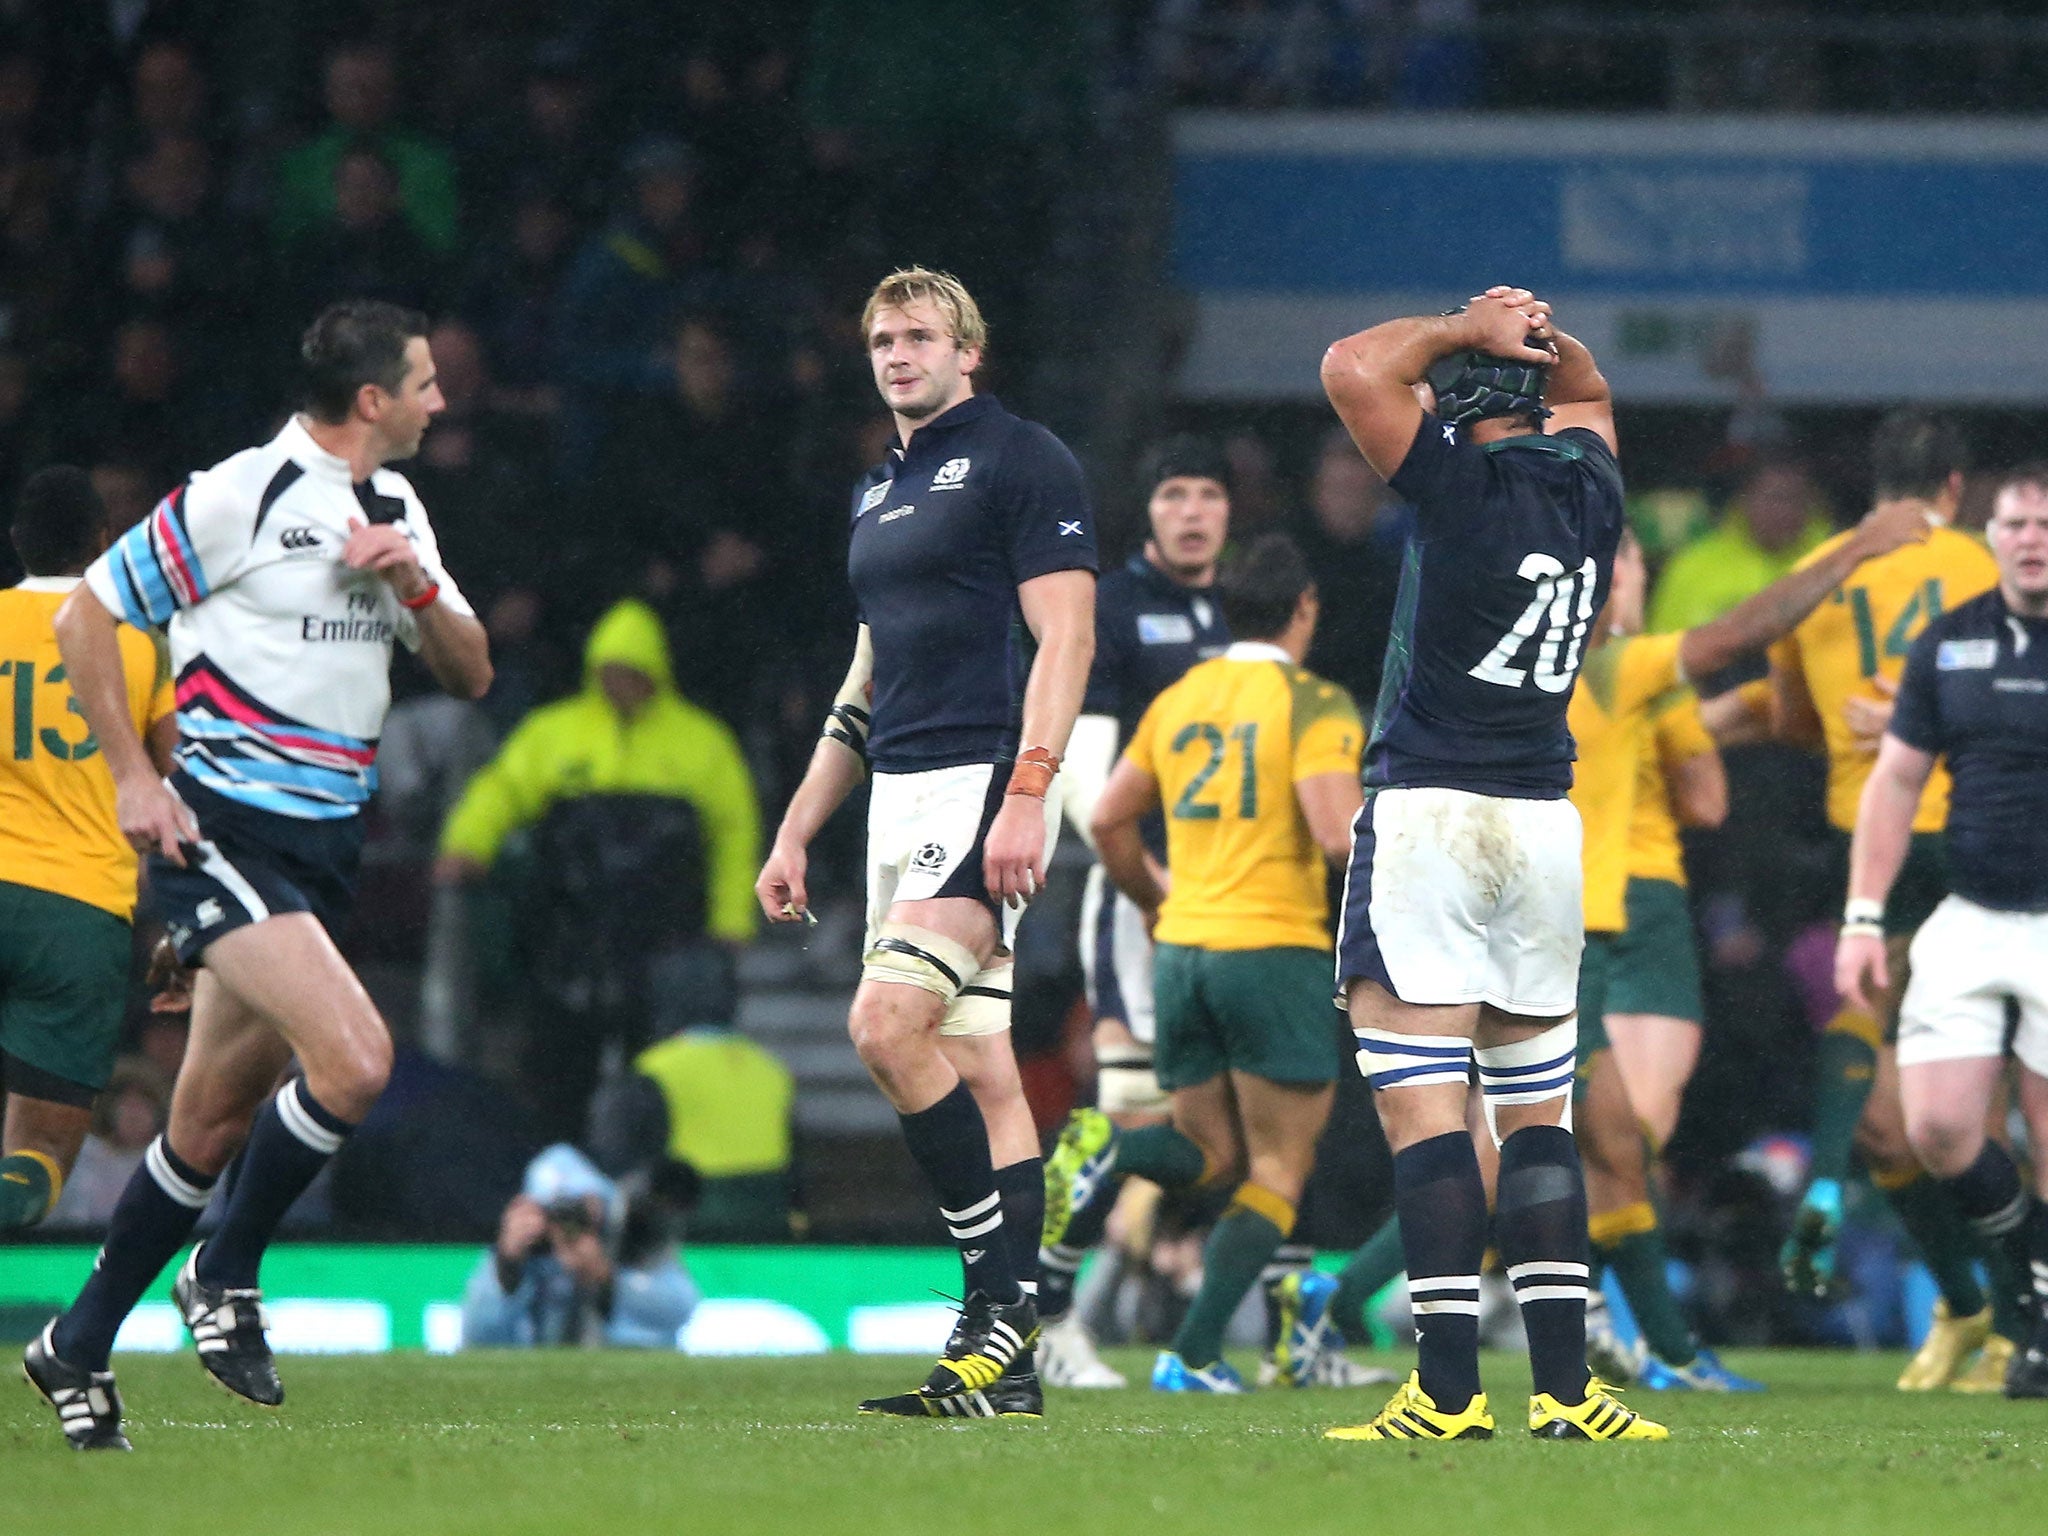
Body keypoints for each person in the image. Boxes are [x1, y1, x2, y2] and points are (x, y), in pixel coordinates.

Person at [23, 299, 491, 1452]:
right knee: (356, 1059)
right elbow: (88, 618)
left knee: (207, 1124)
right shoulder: (241, 493)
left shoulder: (394, 507)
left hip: (324, 851)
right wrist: (135, 776)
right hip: (219, 834)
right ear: (372, 399)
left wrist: (415, 585)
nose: (441, 400)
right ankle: (222, 1275)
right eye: (424, 382)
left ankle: (73, 1344)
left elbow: (472, 672)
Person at [1317, 286, 1661, 1442]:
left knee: (1428, 1125)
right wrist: (1540, 334)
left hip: (1430, 817)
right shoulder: (1592, 491)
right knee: (1535, 1121)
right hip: (1541, 826)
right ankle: (1566, 1392)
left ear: (1455, 411)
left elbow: (1351, 366)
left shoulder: (1454, 493)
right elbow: (1591, 391)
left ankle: (1449, 1393)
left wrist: (1466, 327)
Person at [753, 267, 1095, 1419]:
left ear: (968, 353)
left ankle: (998, 1306)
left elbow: (1065, 639)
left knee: (883, 1027)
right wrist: (798, 828)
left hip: (984, 781)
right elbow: (865, 682)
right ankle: (1017, 1370)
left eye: (919, 337)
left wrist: (1028, 792)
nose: (897, 354)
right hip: (897, 799)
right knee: (984, 1068)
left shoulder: (1020, 458)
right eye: (882, 340)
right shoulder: (874, 492)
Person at [1568, 515, 1931, 1393]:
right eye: (1633, 567)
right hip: (1634, 913)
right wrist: (1847, 555)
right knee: (1627, 1140)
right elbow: (1708, 797)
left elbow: (1755, 711)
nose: (1639, 582)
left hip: (1534, 912)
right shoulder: (1635, 664)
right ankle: (1612, 1323)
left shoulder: (1528, 668)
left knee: (1526, 1141)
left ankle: (1607, 1323)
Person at [1042, 532, 1363, 1392]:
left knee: (1205, 1151)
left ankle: (1108, 1145)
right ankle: (1192, 1352)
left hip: (1183, 951)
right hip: (1272, 949)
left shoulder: (1182, 698)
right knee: (1280, 1169)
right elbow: (1338, 834)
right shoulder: (1316, 703)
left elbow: (1109, 819)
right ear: (1304, 610)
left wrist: (1154, 902)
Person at [1770, 411, 2015, 1392]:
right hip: (1940, 835)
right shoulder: (1986, 565)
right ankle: (1972, 1309)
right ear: (1951, 487)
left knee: (1920, 1105)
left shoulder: (1819, 571)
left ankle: (2000, 1315)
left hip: (1906, 843)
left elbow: (1789, 719)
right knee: (1919, 1114)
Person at [1837, 463, 2048, 1401]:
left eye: (2046, 524)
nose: (2032, 539)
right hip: (1969, 914)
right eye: (2017, 523)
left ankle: (2030, 1326)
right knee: (1939, 1129)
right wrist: (1863, 917)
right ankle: (2032, 1305)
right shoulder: (1950, 641)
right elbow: (1895, 782)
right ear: (1990, 534)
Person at [1036, 434, 1230, 1389]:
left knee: (1255, 1113)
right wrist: (1150, 878)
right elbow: (1085, 762)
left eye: (1207, 495)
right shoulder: (1115, 609)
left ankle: (1276, 1327)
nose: (1191, 512)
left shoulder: (1241, 613)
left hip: (1240, 904)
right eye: (1174, 495)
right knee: (1126, 1110)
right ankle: (1048, 1313)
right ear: (1149, 512)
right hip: (1141, 901)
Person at [436, 596, 761, 1145]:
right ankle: (554, 1167)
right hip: (569, 938)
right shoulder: (554, 733)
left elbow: (735, 833)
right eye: (611, 671)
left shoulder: (702, 743)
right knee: (559, 1066)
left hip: (664, 940)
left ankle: (646, 1175)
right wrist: (467, 846)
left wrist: (731, 922)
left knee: (659, 1068)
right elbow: (502, 791)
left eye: (633, 672)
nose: (622, 683)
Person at [0, 467, 175, 1232]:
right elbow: (180, 788)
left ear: (16, 544)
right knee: (40, 1156)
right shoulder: (140, 647)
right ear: (105, 545)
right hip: (79, 915)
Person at [460, 1143, 699, 1349]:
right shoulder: (528, 1252)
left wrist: (608, 1283)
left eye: (580, 1206)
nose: (570, 1222)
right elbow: (477, 1336)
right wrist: (507, 1267)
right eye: (558, 1209)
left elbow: (679, 1309)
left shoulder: (629, 1234)